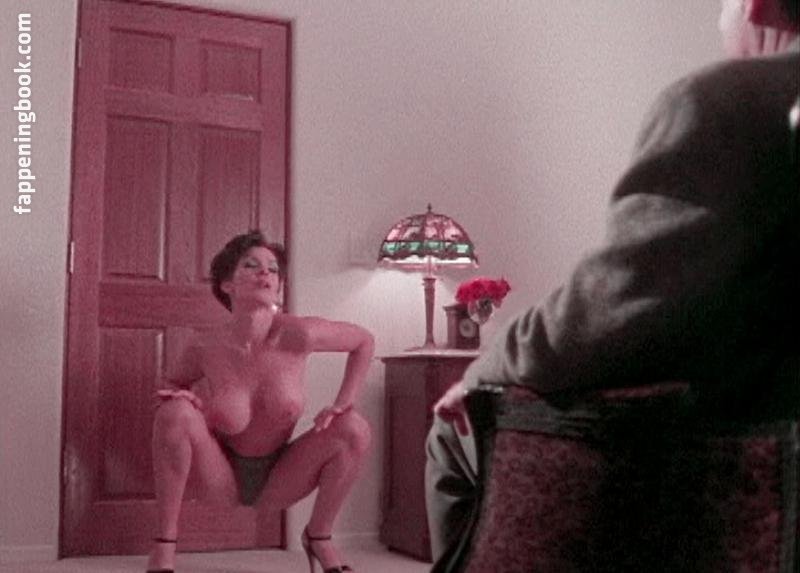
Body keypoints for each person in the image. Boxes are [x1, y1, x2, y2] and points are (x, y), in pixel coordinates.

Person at [426, 0, 799, 570]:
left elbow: (602, 319)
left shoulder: (725, 102)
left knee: (449, 432)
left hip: (736, 456)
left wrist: (483, 369)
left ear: (757, 4)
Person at [146, 230, 374, 573]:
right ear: (227, 284)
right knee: (174, 412)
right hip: (220, 477)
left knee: (354, 427)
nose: (266, 273)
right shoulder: (204, 346)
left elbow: (363, 341)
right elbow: (169, 386)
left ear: (279, 285)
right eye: (251, 265)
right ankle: (164, 545)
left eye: (273, 269)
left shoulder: (299, 334)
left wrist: (343, 402)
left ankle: (319, 536)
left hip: (281, 477)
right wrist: (186, 400)